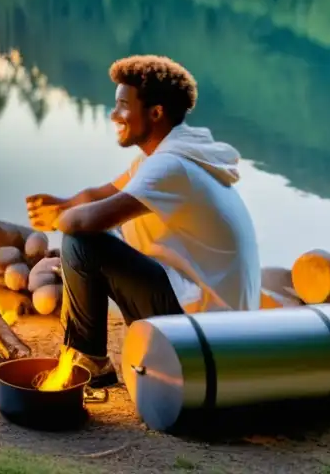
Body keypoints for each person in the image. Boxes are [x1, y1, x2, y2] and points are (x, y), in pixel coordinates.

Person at [26, 55, 260, 388]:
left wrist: (60, 219)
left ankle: (89, 362)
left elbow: (88, 221)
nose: (113, 114)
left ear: (156, 112)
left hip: (206, 326)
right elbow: (100, 194)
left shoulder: (171, 167)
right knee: (86, 239)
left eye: (122, 105)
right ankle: (85, 357)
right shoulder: (169, 155)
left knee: (81, 243)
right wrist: (61, 204)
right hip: (207, 311)